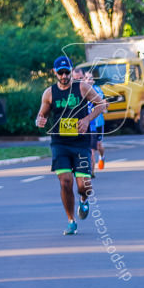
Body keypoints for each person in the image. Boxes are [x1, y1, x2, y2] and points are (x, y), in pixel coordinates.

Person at [35, 56, 106, 235]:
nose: (65, 76)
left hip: (80, 143)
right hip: (60, 142)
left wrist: (87, 119)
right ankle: (71, 220)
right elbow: (41, 114)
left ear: (72, 71)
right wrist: (40, 120)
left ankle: (83, 200)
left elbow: (101, 104)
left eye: (67, 72)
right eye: (61, 73)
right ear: (55, 73)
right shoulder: (49, 93)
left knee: (83, 186)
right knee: (66, 182)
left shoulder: (82, 87)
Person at [79, 69, 106, 169]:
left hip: (98, 122)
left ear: (93, 81)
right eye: (86, 78)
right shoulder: (81, 91)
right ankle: (91, 171)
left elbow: (100, 101)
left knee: (99, 145)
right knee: (91, 150)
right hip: (88, 124)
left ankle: (102, 157)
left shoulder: (97, 90)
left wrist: (104, 105)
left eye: (91, 78)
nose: (89, 80)